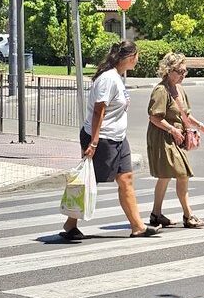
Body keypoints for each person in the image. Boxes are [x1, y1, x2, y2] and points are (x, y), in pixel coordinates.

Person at [60, 40, 159, 240]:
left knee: (126, 179)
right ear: (130, 57)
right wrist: (94, 142)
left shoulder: (117, 77)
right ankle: (70, 224)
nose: (138, 60)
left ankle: (137, 226)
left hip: (118, 138)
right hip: (102, 138)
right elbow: (99, 110)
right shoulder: (108, 79)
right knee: (87, 181)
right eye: (137, 56)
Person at [146, 52, 204, 228]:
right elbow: (154, 117)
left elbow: (186, 115)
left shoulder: (179, 89)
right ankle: (188, 215)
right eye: (180, 71)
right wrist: (172, 129)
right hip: (163, 137)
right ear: (169, 70)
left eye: (185, 71)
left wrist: (202, 127)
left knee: (165, 176)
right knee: (182, 174)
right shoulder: (161, 90)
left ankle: (156, 214)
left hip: (176, 137)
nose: (183, 75)